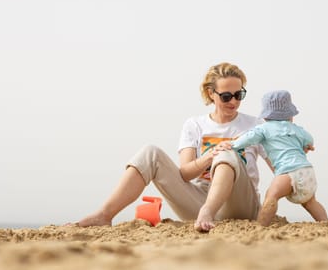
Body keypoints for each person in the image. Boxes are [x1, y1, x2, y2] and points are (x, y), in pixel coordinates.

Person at [71, 62, 269, 232]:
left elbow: (281, 165)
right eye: (227, 96)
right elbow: (185, 174)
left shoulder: (256, 125)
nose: (234, 101)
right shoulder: (195, 125)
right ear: (211, 94)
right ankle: (104, 215)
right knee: (150, 153)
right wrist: (208, 157)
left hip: (240, 203)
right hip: (199, 200)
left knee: (227, 153)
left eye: (239, 94)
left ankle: (208, 210)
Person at [229, 90, 328, 226]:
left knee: (271, 196)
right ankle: (325, 223)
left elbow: (248, 138)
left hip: (287, 171)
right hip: (307, 170)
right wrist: (307, 145)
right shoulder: (297, 129)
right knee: (311, 202)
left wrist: (232, 145)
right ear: (290, 115)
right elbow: (309, 139)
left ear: (266, 116)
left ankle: (261, 226)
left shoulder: (263, 129)